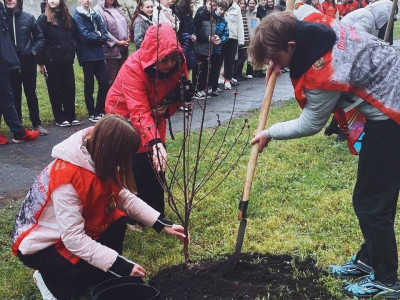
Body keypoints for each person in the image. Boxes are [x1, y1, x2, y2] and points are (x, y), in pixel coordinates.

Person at [249, 11, 400, 298]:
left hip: (393, 115)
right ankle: (369, 260)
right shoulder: (314, 24)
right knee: (377, 196)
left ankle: (386, 280)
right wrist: (273, 59)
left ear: (291, 46)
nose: (277, 64)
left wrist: (269, 132)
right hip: (391, 96)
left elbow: (310, 123)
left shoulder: (326, 70)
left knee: (370, 201)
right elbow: (294, 15)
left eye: (278, 58)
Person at [11, 115, 187, 299]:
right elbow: (73, 238)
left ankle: (96, 274)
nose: (124, 164)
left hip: (66, 231)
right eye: (123, 158)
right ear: (111, 152)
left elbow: (123, 196)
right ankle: (46, 280)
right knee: (74, 284)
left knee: (116, 222)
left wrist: (162, 224)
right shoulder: (67, 179)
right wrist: (121, 265)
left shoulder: (97, 156)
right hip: (41, 245)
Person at [106, 24, 193, 218]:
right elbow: (137, 110)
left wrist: (167, 109)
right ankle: (132, 216)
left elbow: (180, 95)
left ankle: (155, 213)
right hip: (124, 115)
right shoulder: (133, 68)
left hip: (155, 116)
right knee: (136, 162)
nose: (170, 64)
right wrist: (155, 142)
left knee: (156, 163)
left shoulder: (179, 62)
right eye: (164, 59)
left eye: (173, 58)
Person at [5, 0, 47, 136]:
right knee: (14, 95)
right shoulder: (3, 18)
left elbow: (40, 38)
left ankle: (37, 124)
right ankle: (19, 128)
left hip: (27, 62)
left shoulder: (28, 18)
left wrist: (32, 52)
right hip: (10, 64)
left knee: (31, 94)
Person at [0, 1, 39, 145]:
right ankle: (19, 132)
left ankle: (19, 130)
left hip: (9, 60)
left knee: (5, 97)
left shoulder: (24, 17)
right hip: (4, 61)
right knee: (7, 97)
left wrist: (32, 52)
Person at [37, 0, 80, 128]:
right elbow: (39, 40)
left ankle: (70, 116)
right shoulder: (43, 19)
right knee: (55, 90)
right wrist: (41, 62)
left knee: (69, 89)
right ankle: (60, 118)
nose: (53, 1)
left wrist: (73, 47)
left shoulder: (67, 17)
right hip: (51, 62)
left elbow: (75, 35)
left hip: (67, 60)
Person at [73, 0, 109, 123]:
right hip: (87, 56)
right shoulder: (77, 15)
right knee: (89, 85)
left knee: (104, 82)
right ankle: (91, 113)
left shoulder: (95, 14)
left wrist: (98, 35)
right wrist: (97, 35)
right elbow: (84, 36)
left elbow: (105, 35)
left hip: (99, 55)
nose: (87, 1)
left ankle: (100, 110)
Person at [94, 0, 130, 85]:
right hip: (110, 51)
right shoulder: (98, 9)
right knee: (111, 79)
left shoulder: (117, 8)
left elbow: (126, 24)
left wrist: (128, 36)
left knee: (122, 76)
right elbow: (102, 30)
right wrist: (117, 42)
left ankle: (120, 97)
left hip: (124, 48)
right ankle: (109, 97)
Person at [193, 0, 218, 99]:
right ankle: (196, 89)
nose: (212, 7)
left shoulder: (214, 16)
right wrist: (207, 38)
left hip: (209, 47)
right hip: (200, 46)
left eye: (214, 5)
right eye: (210, 4)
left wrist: (215, 37)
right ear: (206, 3)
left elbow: (212, 29)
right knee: (199, 69)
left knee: (206, 69)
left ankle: (203, 88)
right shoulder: (200, 15)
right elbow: (195, 31)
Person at [222, 0, 244, 90]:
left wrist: (241, 41)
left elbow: (240, 24)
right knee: (218, 60)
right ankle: (216, 80)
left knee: (230, 60)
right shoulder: (220, 5)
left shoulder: (236, 8)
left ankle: (228, 79)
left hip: (232, 37)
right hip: (221, 37)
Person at [209, 0, 229, 96]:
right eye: (221, 9)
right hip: (208, 46)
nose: (222, 12)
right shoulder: (211, 17)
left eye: (224, 10)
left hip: (218, 48)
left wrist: (221, 39)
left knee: (216, 67)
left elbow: (226, 34)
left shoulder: (224, 21)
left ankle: (214, 86)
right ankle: (207, 86)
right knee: (207, 67)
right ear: (217, 7)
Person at [176, 0, 197, 71]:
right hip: (183, 42)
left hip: (189, 43)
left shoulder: (189, 14)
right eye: (191, 3)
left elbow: (192, 27)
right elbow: (180, 29)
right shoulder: (180, 13)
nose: (193, 5)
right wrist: (188, 36)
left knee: (188, 65)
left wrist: (193, 35)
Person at [245, 0, 258, 78]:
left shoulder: (257, 12)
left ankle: (249, 71)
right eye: (250, 3)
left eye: (253, 3)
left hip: (253, 36)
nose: (251, 5)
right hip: (245, 35)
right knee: (243, 54)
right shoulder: (244, 11)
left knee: (251, 54)